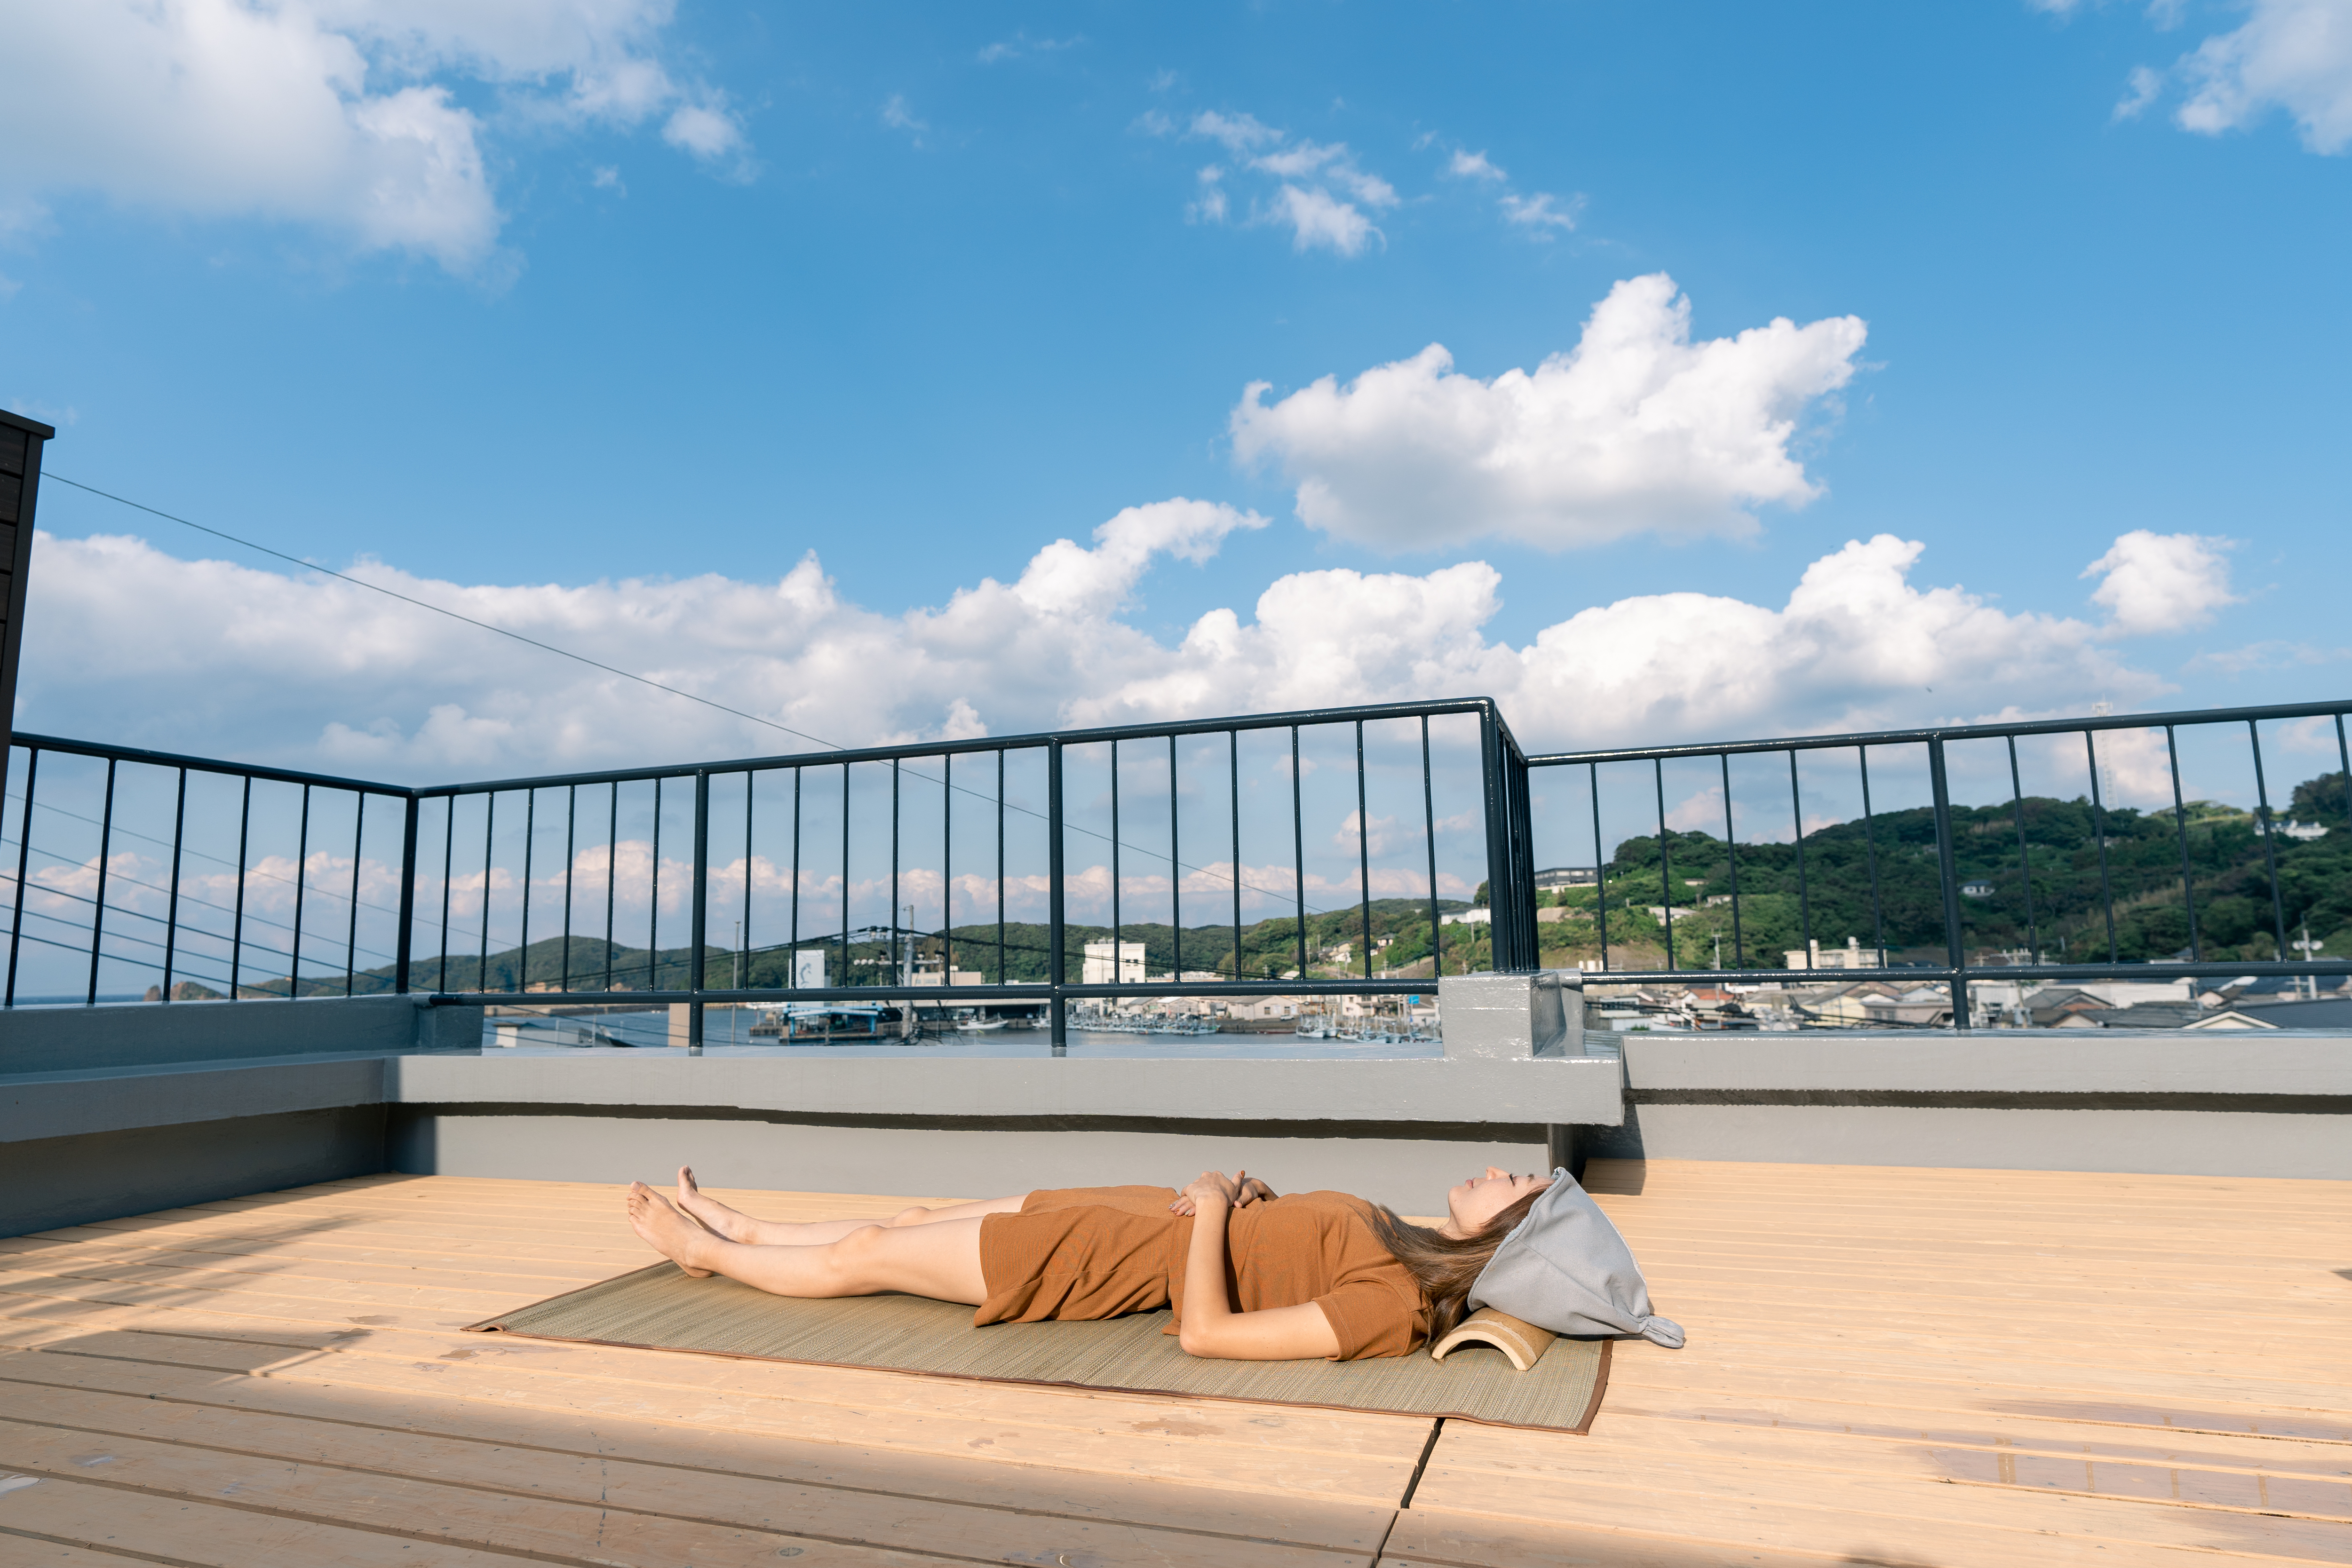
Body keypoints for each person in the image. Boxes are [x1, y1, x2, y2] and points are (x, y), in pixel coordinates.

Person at [623, 1164, 1551, 1361]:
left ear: (1502, 1231)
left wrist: (1218, 1211)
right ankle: (746, 1227)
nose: (1499, 1165)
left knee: (868, 1253)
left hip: (1104, 1259)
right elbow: (1278, 1249)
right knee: (908, 1215)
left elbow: (1208, 1332)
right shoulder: (1403, 1232)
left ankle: (703, 1251)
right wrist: (1250, 1194)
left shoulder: (1395, 1302)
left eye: (1516, 1180)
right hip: (1133, 1209)